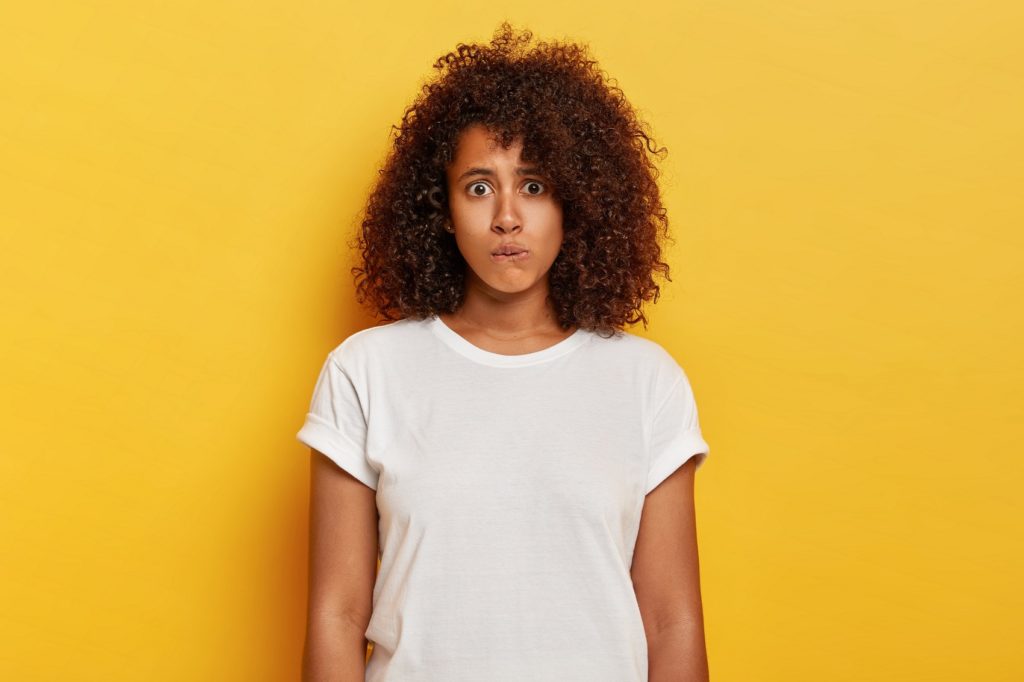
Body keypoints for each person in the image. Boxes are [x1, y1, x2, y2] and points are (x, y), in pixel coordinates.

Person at [297, 22, 712, 682]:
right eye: (480, 187)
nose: (508, 218)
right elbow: (337, 615)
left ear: (577, 203)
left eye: (536, 186)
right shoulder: (366, 371)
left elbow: (672, 621)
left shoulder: (645, 382)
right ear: (440, 207)